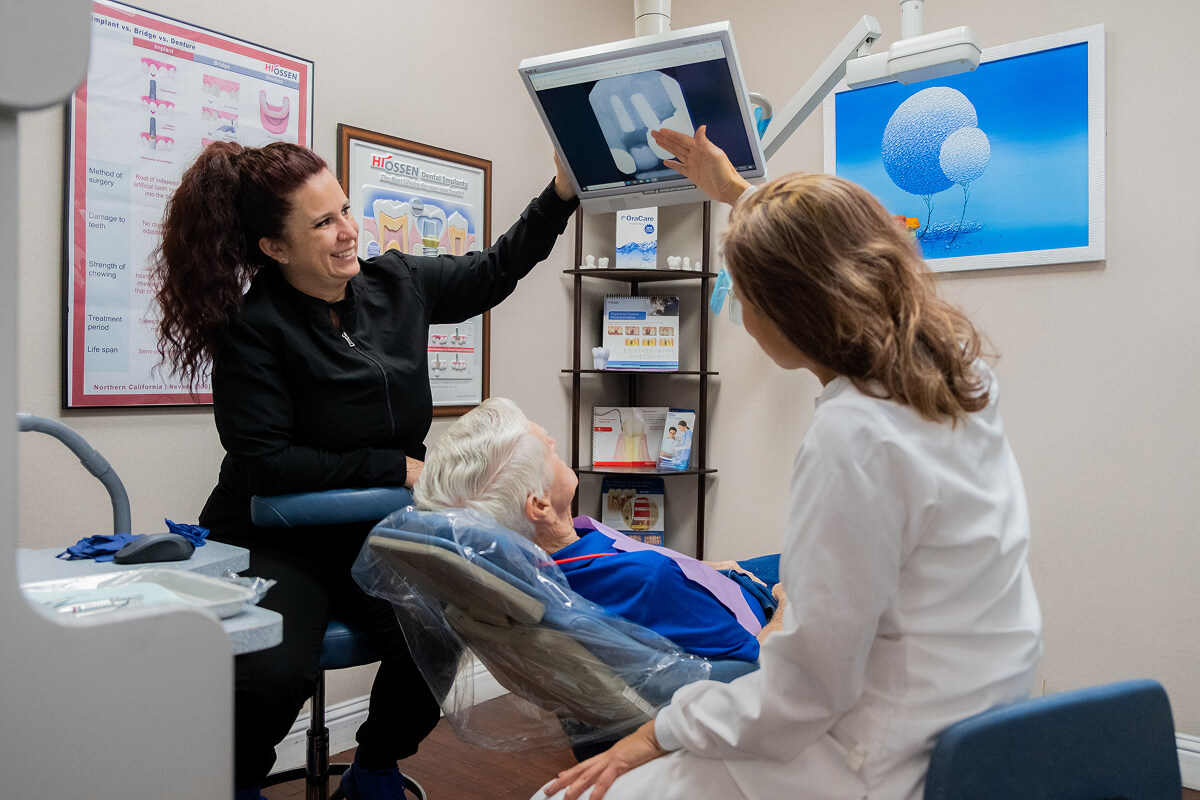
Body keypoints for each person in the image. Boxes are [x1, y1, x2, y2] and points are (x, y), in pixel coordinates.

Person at [534, 126, 1042, 800]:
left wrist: (652, 734)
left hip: (881, 757)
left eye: (743, 293)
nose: (740, 310)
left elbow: (799, 699)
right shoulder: (953, 370)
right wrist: (737, 194)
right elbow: (829, 247)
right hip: (984, 718)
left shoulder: (854, 435)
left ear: (790, 309)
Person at [151, 140, 578, 800]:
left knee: (442, 622)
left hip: (373, 532)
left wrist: (560, 196)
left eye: (345, 209)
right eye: (322, 222)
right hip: (274, 538)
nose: (348, 230)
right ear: (273, 247)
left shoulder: (395, 285)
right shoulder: (254, 329)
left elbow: (494, 270)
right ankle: (230, 782)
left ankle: (374, 765)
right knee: (273, 672)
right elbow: (267, 462)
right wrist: (394, 467)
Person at [413, 397, 786, 664]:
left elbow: (660, 576)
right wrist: (788, 606)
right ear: (540, 506)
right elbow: (758, 662)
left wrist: (710, 568)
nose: (554, 443)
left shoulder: (542, 568)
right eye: (547, 450)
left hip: (718, 584)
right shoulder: (644, 581)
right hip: (759, 614)